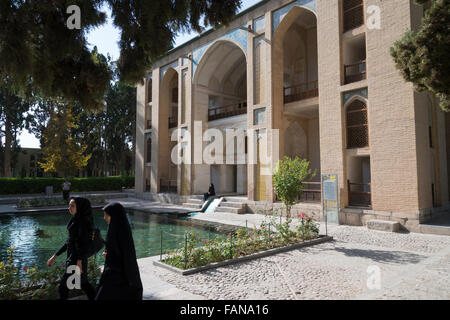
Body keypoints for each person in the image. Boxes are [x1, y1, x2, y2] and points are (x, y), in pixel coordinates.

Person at [47, 197, 97, 300]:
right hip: (75, 258)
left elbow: (83, 244)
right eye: (69, 205)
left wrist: (79, 261)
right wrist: (55, 255)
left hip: (76, 260)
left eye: (72, 206)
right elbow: (69, 242)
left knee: (63, 288)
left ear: (80, 207)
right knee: (83, 284)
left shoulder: (83, 222)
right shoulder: (76, 220)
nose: (69, 208)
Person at [95, 202, 143, 300]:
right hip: (112, 274)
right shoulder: (114, 229)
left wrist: (108, 256)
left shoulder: (122, 233)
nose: (104, 218)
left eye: (106, 215)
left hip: (118, 276)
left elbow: (125, 256)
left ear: (114, 216)